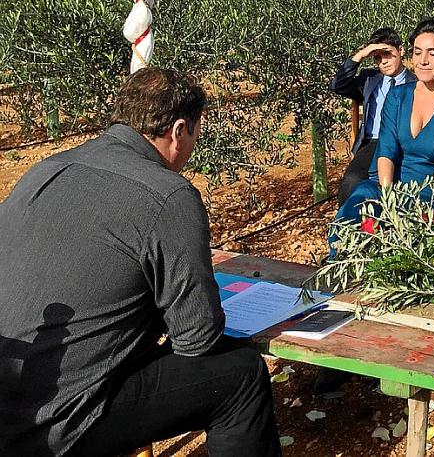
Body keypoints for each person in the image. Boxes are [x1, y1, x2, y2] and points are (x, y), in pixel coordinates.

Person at [0, 68, 280, 456]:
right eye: (195, 135)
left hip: (11, 390)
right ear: (179, 130)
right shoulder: (168, 194)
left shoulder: (46, 169)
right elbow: (197, 339)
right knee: (240, 376)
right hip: (59, 421)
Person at [333, 17, 434, 225]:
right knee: (357, 202)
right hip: (385, 186)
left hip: (425, 196)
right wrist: (387, 199)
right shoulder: (398, 96)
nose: (422, 60)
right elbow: (386, 150)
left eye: (432, 53)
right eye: (417, 52)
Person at [328, 27, 415, 204]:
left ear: (401, 50)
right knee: (351, 183)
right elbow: (338, 85)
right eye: (377, 57)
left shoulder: (415, 82)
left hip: (403, 144)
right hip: (372, 144)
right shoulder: (370, 79)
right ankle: (349, 229)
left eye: (387, 54)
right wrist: (360, 55)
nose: (383, 62)